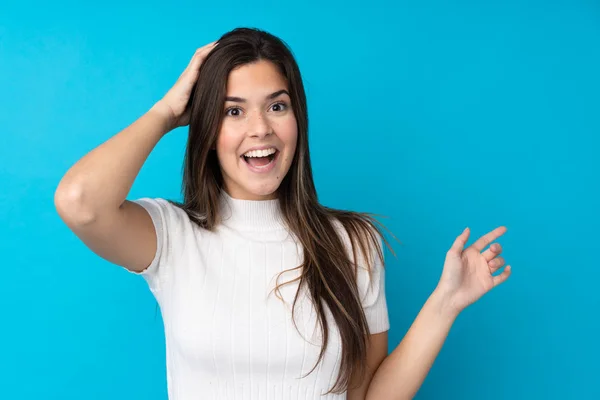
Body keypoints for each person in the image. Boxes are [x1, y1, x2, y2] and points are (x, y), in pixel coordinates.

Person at [54, 27, 512, 400]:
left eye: (277, 105)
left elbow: (369, 398)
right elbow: (80, 202)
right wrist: (168, 110)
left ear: (298, 118)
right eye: (233, 111)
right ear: (207, 128)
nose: (260, 129)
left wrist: (445, 303)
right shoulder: (172, 237)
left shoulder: (354, 242)